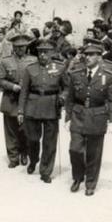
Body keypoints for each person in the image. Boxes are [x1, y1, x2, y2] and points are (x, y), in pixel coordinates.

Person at [65, 43, 112, 196]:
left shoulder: (107, 76)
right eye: (86, 54)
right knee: (75, 149)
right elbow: (70, 98)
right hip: (78, 115)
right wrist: (68, 117)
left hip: (97, 116)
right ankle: (78, 177)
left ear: (99, 57)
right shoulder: (76, 74)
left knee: (94, 153)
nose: (88, 57)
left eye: (92, 54)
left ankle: (90, 183)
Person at [18, 39, 67, 183]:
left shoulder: (60, 67)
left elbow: (67, 88)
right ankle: (33, 160)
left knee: (50, 142)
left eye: (46, 52)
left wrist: (63, 97)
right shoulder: (30, 68)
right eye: (40, 52)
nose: (43, 55)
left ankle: (46, 170)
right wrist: (21, 110)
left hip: (52, 106)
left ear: (52, 53)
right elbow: (24, 91)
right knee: (32, 138)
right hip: (33, 107)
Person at [0, 34, 37, 168]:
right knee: (10, 130)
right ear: (13, 47)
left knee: (25, 129)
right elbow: (0, 80)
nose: (21, 49)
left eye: (23, 47)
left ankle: (24, 153)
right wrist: (13, 86)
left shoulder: (33, 60)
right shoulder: (5, 61)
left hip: (27, 101)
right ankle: (13, 157)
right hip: (11, 99)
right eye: (18, 47)